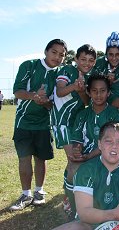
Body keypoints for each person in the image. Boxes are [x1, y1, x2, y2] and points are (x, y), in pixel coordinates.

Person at [10, 39, 68, 211]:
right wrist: (35, 96)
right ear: (46, 51)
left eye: (62, 55)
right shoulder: (29, 65)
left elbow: (52, 105)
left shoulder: (60, 75)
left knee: (40, 158)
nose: (57, 57)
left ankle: (39, 191)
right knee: (24, 158)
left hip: (43, 124)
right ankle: (26, 194)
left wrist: (45, 102)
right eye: (54, 52)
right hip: (24, 122)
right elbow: (17, 91)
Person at [67, 73, 119, 216]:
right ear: (88, 92)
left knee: (104, 173)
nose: (98, 95)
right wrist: (77, 150)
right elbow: (77, 138)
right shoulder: (82, 115)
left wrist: (89, 157)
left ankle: (103, 209)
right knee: (72, 170)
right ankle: (76, 211)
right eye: (94, 91)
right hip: (86, 157)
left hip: (109, 157)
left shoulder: (115, 115)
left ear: (109, 92)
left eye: (103, 90)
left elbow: (113, 144)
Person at [52, 44, 97, 217]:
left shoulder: (86, 77)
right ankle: (72, 202)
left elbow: (85, 101)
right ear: (76, 59)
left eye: (91, 60)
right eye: (83, 59)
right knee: (75, 162)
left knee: (74, 162)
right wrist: (74, 87)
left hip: (76, 125)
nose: (87, 63)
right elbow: (60, 90)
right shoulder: (68, 70)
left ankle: (68, 196)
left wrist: (81, 89)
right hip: (63, 123)